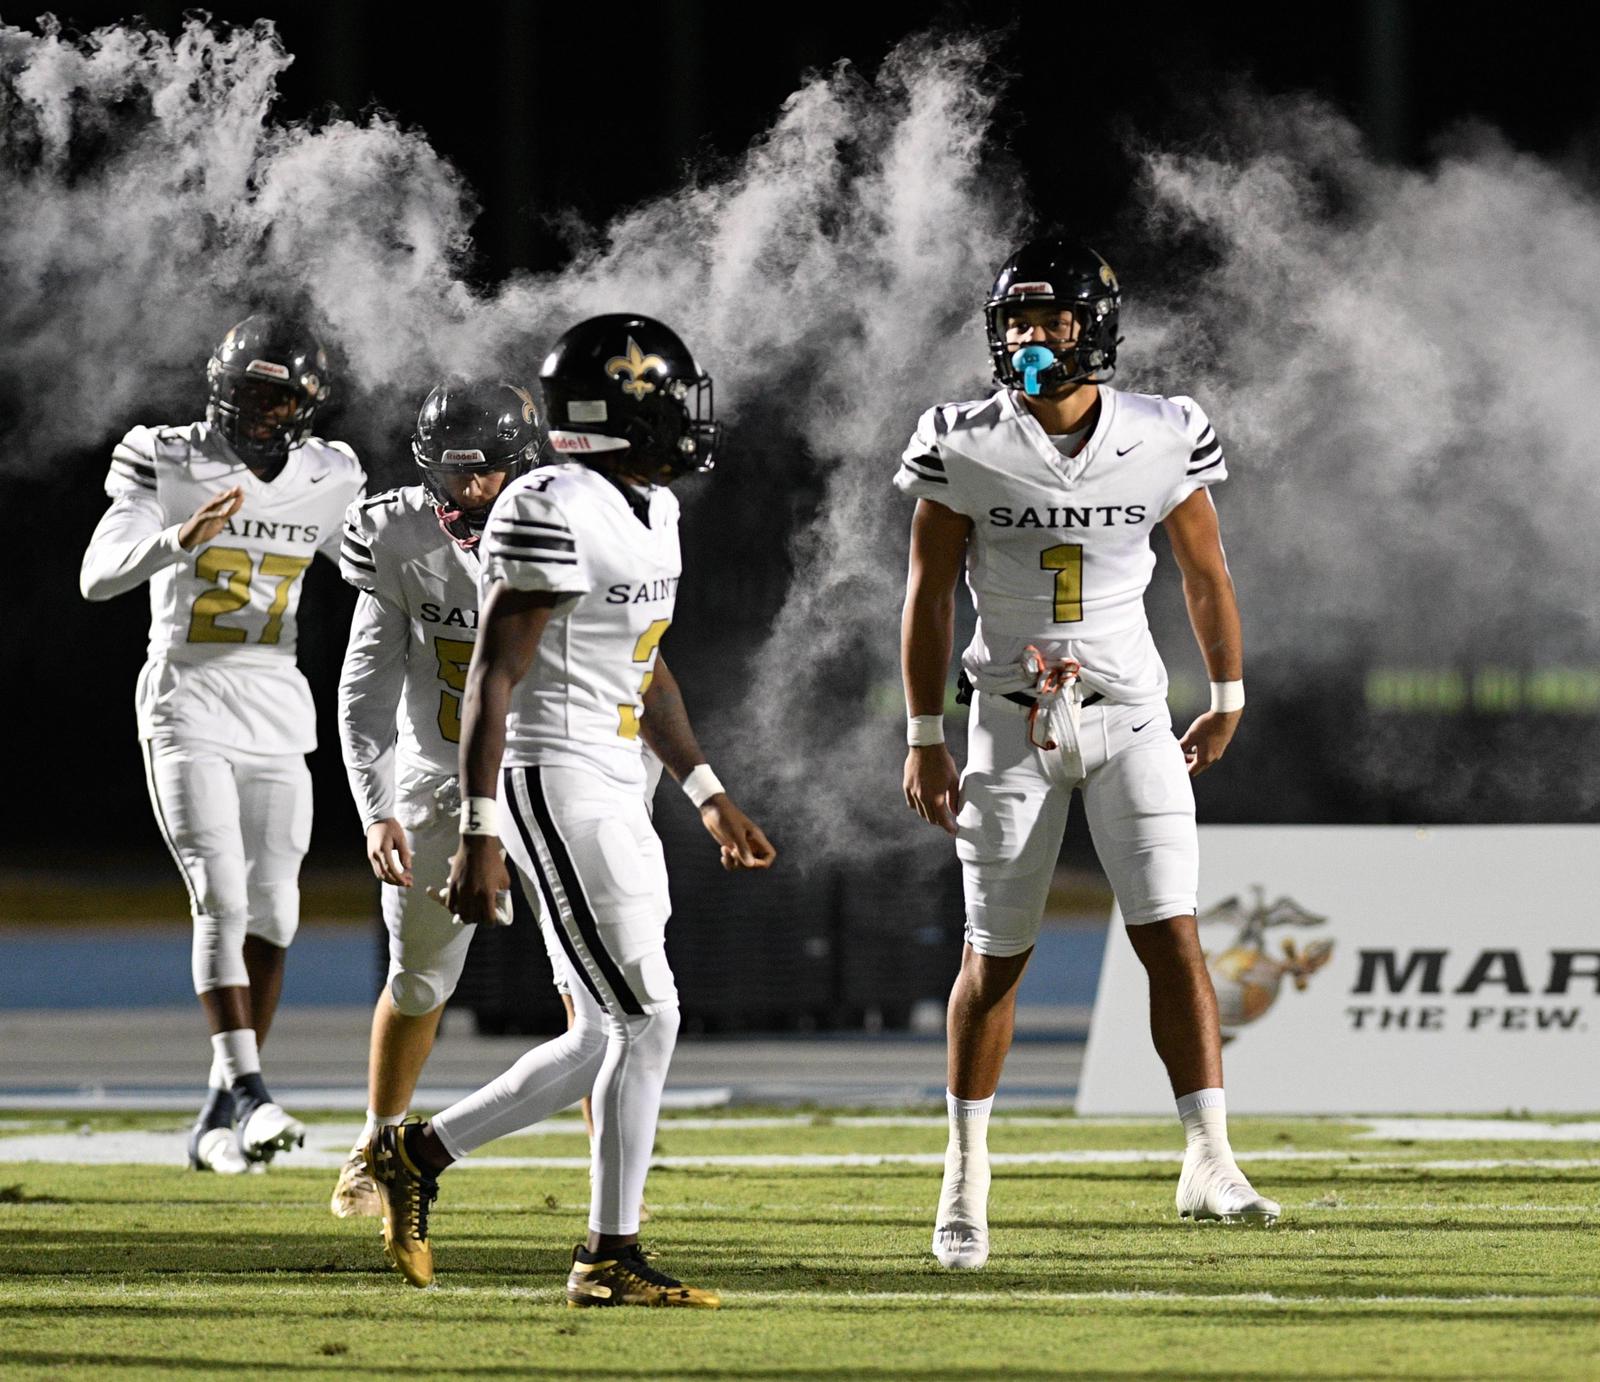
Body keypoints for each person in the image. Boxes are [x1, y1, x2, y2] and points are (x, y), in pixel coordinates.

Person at [362, 314, 775, 1307]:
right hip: (555, 775)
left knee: (602, 1030)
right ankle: (607, 1253)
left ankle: (416, 1154)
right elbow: (492, 677)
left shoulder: (653, 507)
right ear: (621, 411)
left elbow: (646, 665)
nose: (685, 418)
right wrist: (478, 831)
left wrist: (705, 788)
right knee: (649, 1013)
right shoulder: (548, 504)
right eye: (667, 400)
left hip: (621, 775)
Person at [897, 238, 1278, 1270]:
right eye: (1014, 320)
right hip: (1008, 721)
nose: (1029, 337)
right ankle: (964, 1179)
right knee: (994, 956)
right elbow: (928, 595)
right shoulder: (961, 439)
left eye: (1049, 319)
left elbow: (1205, 572)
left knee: (1173, 937)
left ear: (1093, 327)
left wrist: (1228, 694)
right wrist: (924, 733)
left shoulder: (1164, 430)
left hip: (1131, 716)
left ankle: (1209, 1157)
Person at [80, 313, 365, 1173]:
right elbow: (97, 577)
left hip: (276, 697)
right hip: (187, 693)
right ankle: (250, 1092)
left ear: (306, 406)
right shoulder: (166, 455)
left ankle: (218, 1111)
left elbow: (373, 562)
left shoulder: (330, 474)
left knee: (276, 909)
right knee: (221, 895)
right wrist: (178, 539)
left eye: (279, 399)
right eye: (249, 393)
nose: (263, 412)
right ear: (220, 387)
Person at [328, 379, 540, 1216]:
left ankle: (615, 1199)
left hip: (547, 776)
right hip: (440, 779)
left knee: (595, 996)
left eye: (486, 471)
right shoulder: (397, 532)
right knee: (418, 981)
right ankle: (376, 1142)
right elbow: (365, 688)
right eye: (454, 473)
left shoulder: (573, 520)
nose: (471, 489)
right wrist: (376, 808)